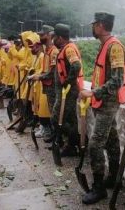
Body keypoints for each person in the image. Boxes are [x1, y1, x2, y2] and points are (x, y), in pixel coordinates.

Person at [78, 12, 125, 204]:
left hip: (108, 102)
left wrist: (93, 93)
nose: (93, 27)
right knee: (112, 141)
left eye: (94, 24)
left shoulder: (114, 47)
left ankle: (99, 188)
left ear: (101, 25)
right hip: (102, 102)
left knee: (95, 144)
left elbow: (116, 81)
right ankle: (115, 179)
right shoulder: (105, 45)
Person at [52, 23, 83, 157]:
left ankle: (71, 144)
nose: (53, 40)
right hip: (67, 91)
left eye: (55, 37)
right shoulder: (65, 48)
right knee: (70, 119)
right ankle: (71, 145)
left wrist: (67, 82)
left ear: (60, 37)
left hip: (69, 91)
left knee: (58, 117)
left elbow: (76, 65)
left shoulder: (69, 49)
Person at [32, 25, 59, 140]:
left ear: (49, 35)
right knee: (51, 112)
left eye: (42, 35)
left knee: (54, 113)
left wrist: (39, 77)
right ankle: (53, 135)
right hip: (47, 86)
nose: (40, 37)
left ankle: (56, 138)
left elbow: (52, 72)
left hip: (52, 86)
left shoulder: (53, 52)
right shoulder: (47, 51)